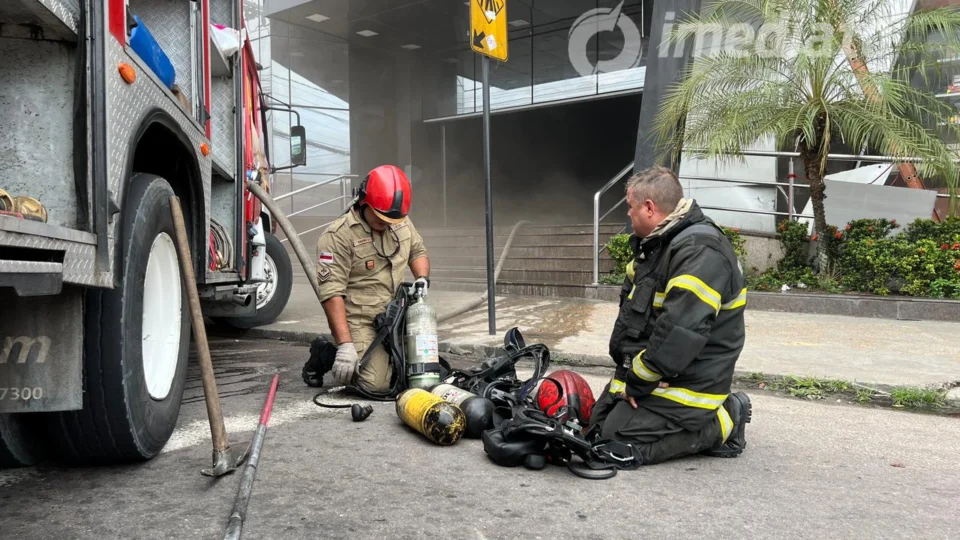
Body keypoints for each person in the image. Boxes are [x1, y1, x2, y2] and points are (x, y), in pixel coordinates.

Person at [586, 165, 751, 465]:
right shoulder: (659, 246)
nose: (628, 214)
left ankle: (725, 420)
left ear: (649, 208)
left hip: (691, 381)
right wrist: (627, 378)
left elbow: (681, 331)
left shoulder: (699, 250)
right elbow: (639, 321)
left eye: (630, 207)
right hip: (661, 372)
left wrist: (640, 379)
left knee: (615, 445)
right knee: (593, 431)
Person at [314, 165, 430, 392]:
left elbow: (418, 252)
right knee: (375, 385)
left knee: (417, 373)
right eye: (380, 219)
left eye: (391, 221)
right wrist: (346, 346)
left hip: (395, 316)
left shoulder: (399, 221)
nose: (386, 224)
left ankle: (379, 357)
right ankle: (325, 354)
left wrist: (422, 278)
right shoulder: (338, 236)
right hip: (360, 320)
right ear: (363, 202)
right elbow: (331, 293)